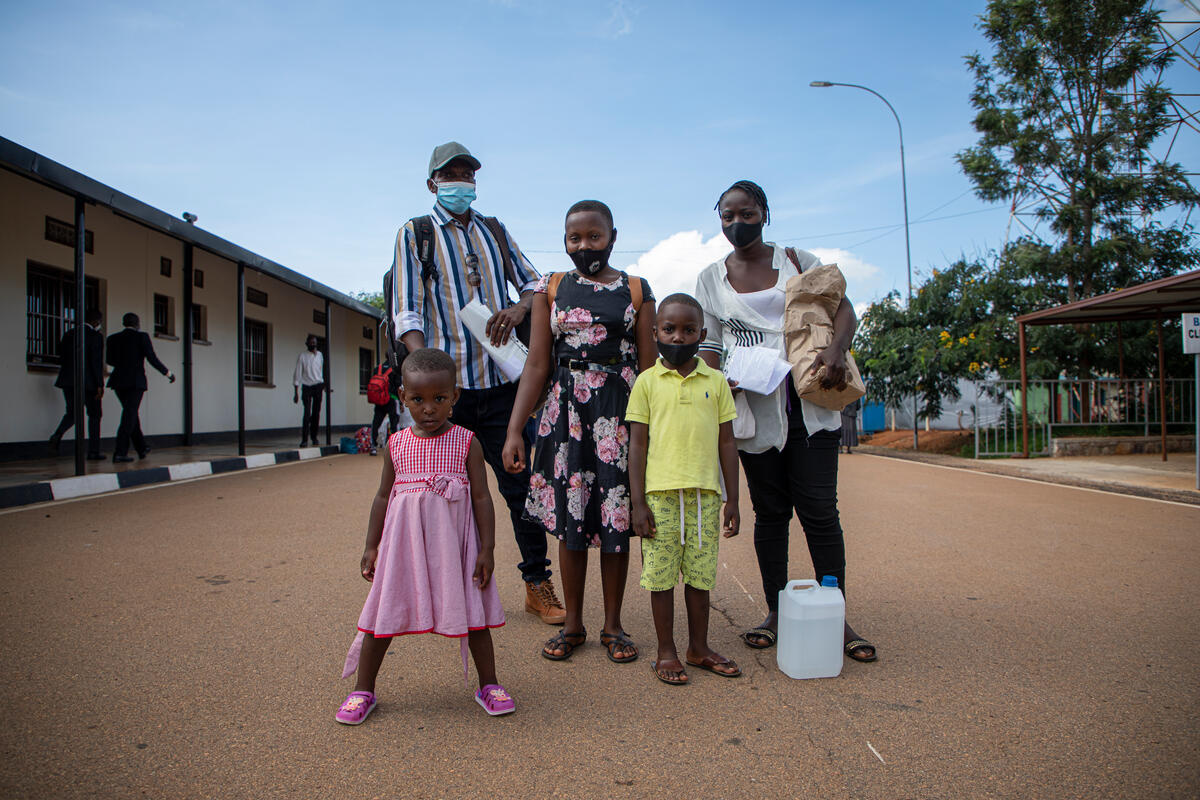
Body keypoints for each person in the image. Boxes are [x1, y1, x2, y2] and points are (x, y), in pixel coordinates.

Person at [695, 180, 876, 663]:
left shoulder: (798, 261)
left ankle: (835, 613)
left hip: (810, 403)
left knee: (820, 512)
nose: (738, 223)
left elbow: (844, 309)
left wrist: (836, 350)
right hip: (755, 407)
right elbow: (709, 343)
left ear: (765, 214)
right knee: (771, 513)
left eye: (747, 213)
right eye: (728, 215)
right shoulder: (710, 278)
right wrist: (718, 382)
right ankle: (776, 611)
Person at [391, 141, 564, 625]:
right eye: (451, 176)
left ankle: (537, 583)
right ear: (433, 184)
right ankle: (443, 590)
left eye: (468, 175)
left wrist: (519, 309)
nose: (461, 183)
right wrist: (425, 367)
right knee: (440, 491)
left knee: (520, 486)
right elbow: (406, 309)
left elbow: (534, 282)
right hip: (448, 396)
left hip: (501, 387)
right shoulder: (417, 234)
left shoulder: (494, 230)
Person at [501, 200, 656, 664]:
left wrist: (653, 431)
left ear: (612, 237)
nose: (585, 245)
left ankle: (613, 626)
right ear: (565, 241)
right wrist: (514, 430)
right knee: (571, 522)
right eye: (575, 238)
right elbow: (536, 364)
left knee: (614, 517)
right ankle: (573, 624)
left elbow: (650, 371)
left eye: (594, 236)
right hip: (564, 417)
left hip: (618, 417)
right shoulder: (551, 288)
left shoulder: (635, 289)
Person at [337, 348, 512, 725]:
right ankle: (363, 690)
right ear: (402, 396)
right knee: (382, 613)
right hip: (404, 549)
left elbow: (482, 498)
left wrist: (487, 549)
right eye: (418, 399)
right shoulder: (396, 444)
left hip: (456, 550)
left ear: (455, 396)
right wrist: (371, 545)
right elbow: (382, 496)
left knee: (474, 615)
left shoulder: (467, 442)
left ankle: (489, 684)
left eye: (439, 398)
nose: (429, 408)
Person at [627, 294, 741, 685]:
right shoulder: (646, 382)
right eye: (669, 329)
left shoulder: (716, 381)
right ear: (655, 332)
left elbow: (727, 441)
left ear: (702, 335)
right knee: (661, 577)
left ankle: (698, 648)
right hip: (659, 498)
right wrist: (638, 502)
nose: (678, 337)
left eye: (688, 330)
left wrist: (733, 498)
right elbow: (637, 445)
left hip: (705, 496)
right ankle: (666, 651)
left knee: (700, 576)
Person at [106, 312, 175, 463]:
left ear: (124, 323)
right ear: (137, 324)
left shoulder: (112, 338)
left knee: (130, 413)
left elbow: (109, 360)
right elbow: (151, 358)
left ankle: (141, 447)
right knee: (129, 415)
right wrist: (167, 373)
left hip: (118, 381)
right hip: (135, 381)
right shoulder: (142, 337)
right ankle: (120, 452)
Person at [49, 308, 106, 460]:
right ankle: (93, 451)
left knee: (73, 413)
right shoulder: (96, 336)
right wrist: (100, 384)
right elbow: (96, 362)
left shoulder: (69, 334)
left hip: (67, 380)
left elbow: (61, 356)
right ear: (96, 322)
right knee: (95, 414)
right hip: (89, 382)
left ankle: (57, 435)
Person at [294, 334, 325, 447]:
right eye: (311, 342)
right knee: (307, 414)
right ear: (307, 344)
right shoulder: (302, 356)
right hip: (307, 387)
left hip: (318, 386)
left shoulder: (320, 355)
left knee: (316, 414)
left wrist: (324, 385)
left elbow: (321, 371)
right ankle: (304, 439)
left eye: (314, 342)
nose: (313, 344)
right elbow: (298, 373)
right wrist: (296, 391)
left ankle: (314, 437)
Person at [367, 359, 403, 456]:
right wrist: (400, 402)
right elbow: (398, 387)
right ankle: (395, 447)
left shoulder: (377, 369)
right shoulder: (395, 370)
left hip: (379, 400)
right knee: (394, 423)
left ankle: (373, 446)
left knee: (376, 422)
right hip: (392, 400)